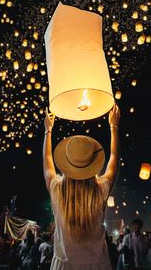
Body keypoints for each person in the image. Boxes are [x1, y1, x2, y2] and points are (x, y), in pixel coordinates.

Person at [43, 104, 121, 269]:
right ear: (93, 165)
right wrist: (114, 127)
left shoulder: (57, 189)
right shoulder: (101, 189)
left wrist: (48, 131)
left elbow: (47, 162)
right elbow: (114, 157)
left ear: (66, 164)